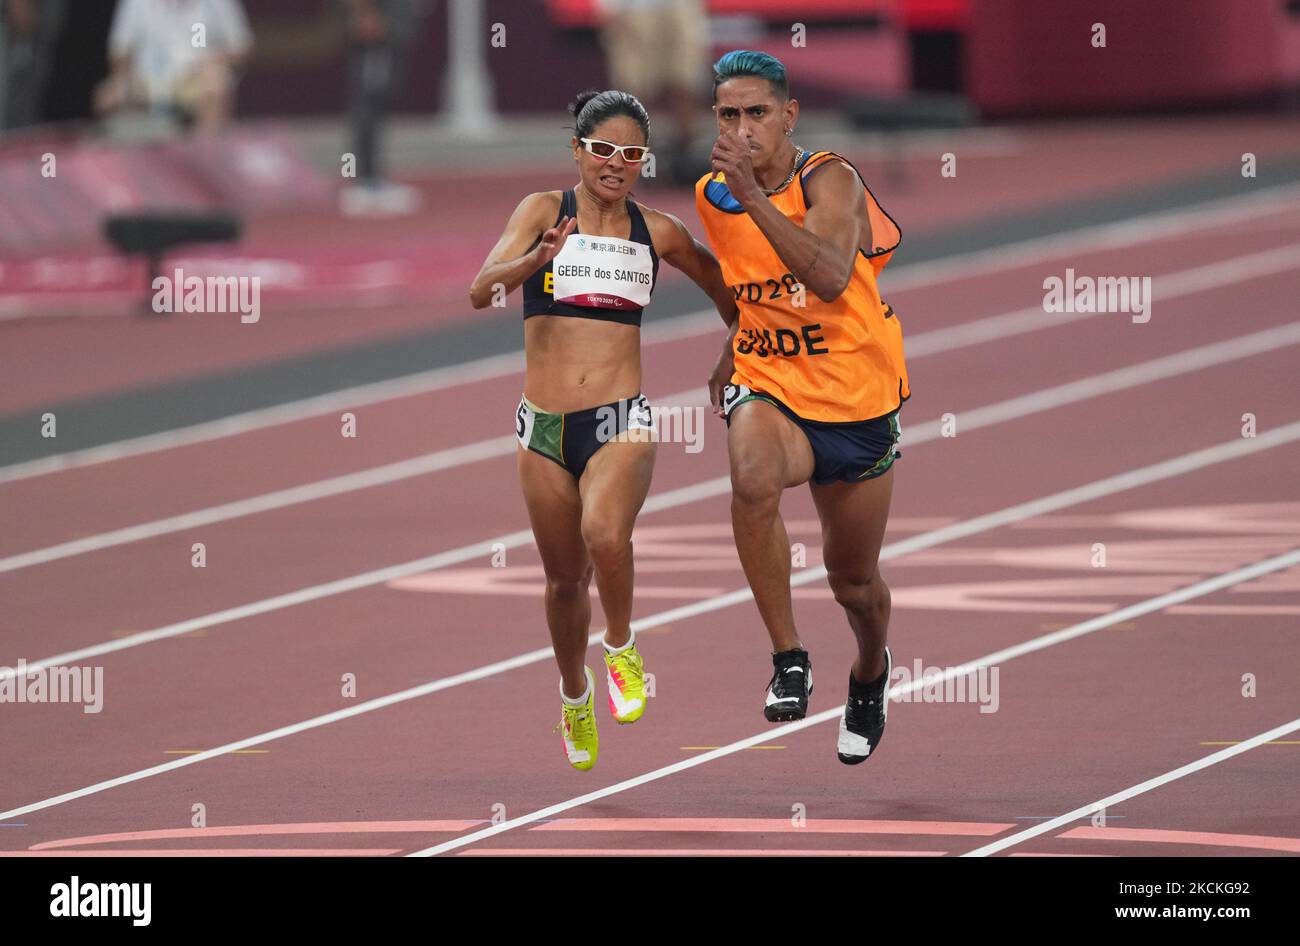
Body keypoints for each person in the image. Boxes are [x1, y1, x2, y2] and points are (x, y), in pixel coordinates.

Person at [470, 89, 737, 771]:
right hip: (544, 430)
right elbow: (481, 289)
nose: (616, 165)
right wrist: (537, 260)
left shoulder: (659, 230)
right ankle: (574, 695)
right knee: (564, 582)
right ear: (578, 152)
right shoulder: (541, 211)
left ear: (645, 160)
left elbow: (734, 297)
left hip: (621, 419)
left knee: (604, 535)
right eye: (602, 152)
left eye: (631, 154)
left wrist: (731, 354)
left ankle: (620, 646)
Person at [695, 51, 909, 764]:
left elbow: (824, 277)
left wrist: (755, 195)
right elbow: (744, 282)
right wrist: (735, 343)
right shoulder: (710, 194)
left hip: (855, 391)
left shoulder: (831, 178)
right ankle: (789, 657)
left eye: (758, 113)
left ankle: (871, 670)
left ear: (789, 116)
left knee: (853, 582)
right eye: (730, 115)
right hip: (773, 381)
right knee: (751, 480)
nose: (744, 129)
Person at [94, 0, 252, 134]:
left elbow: (241, 48)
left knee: (215, 88)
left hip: (194, 80)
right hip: (148, 81)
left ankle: (203, 158)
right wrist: (124, 80)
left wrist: (213, 60)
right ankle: (120, 164)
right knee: (108, 96)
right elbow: (120, 50)